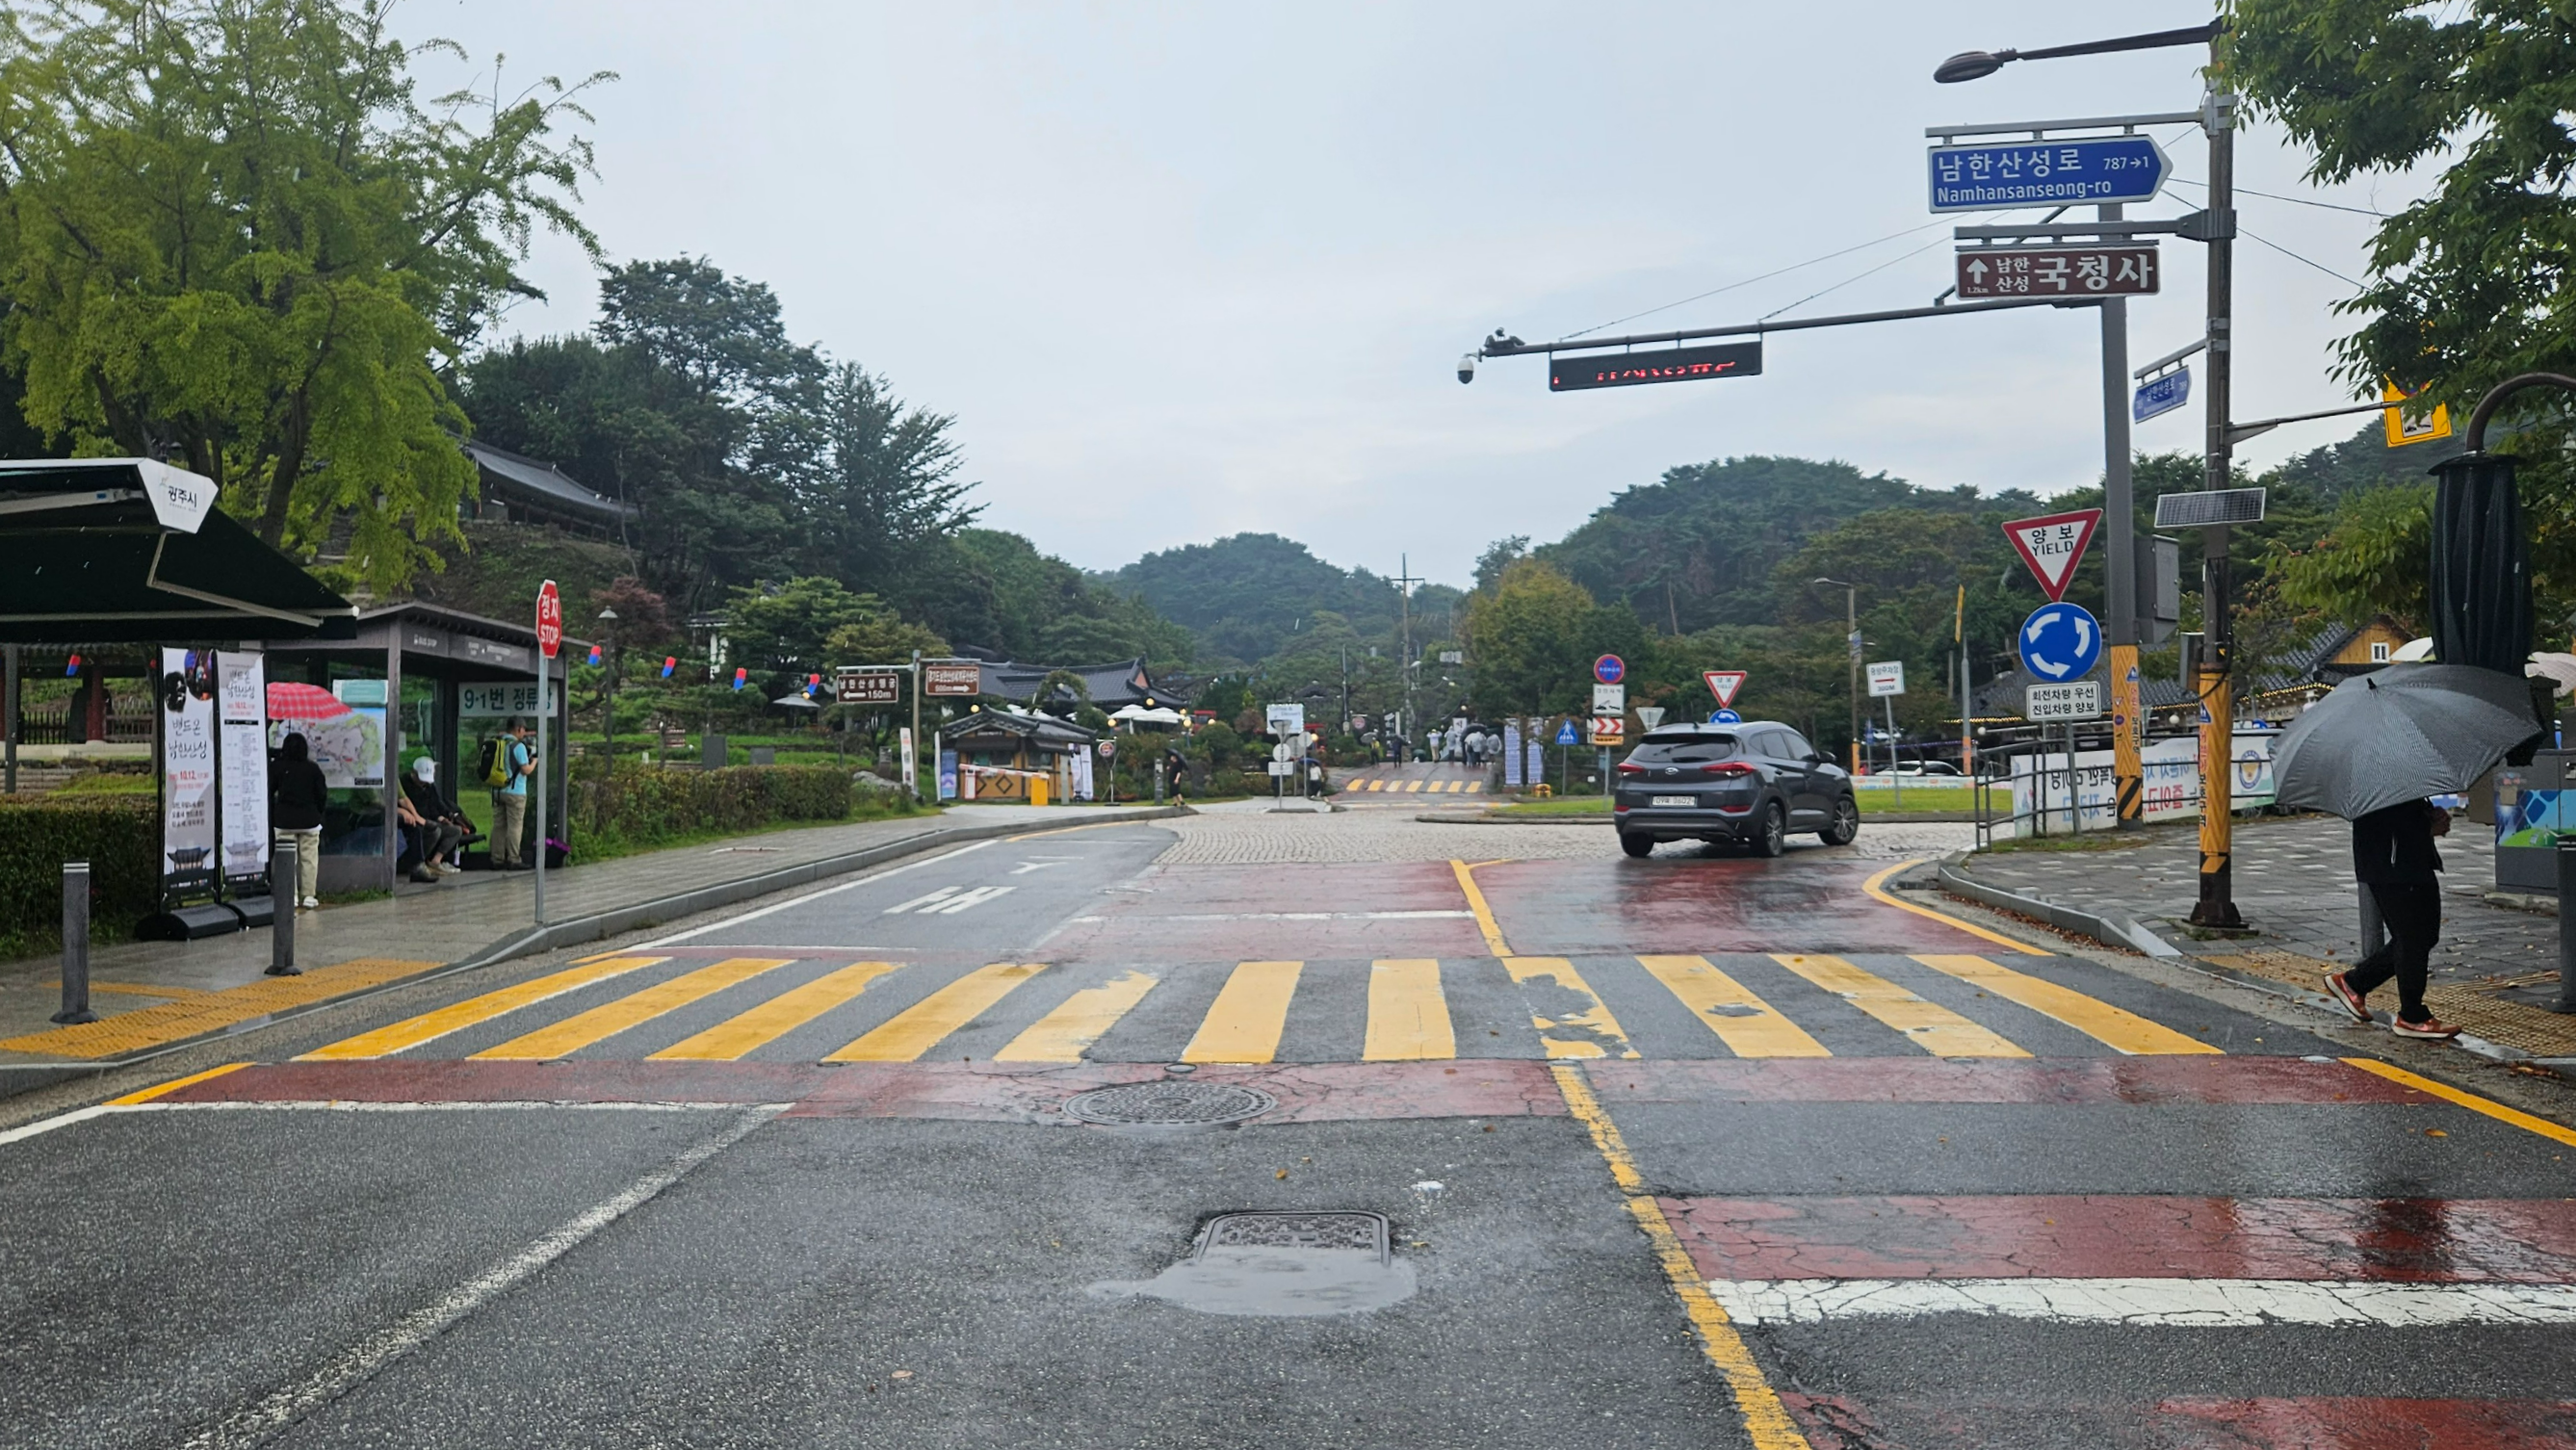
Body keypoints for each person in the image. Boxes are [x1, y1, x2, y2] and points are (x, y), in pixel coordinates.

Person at [2325, 797, 2461, 1039]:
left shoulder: (2394, 781)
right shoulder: (2377, 785)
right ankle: (2412, 1016)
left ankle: (2354, 983)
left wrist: (2428, 813)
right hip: (2394, 866)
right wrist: (2427, 825)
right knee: (2412, 938)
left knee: (2422, 936)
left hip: (2406, 863)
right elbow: (2390, 820)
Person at [268, 731, 327, 917]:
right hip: (310, 821)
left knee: (287, 860)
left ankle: (290, 895)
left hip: (284, 821)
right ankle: (308, 895)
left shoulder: (278, 767)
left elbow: (269, 790)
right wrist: (318, 812)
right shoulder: (313, 769)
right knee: (309, 859)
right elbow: (322, 794)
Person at [396, 761, 464, 881]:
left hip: (427, 819)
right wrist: (416, 817)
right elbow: (403, 801)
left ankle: (435, 862)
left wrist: (443, 816)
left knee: (455, 830)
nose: (424, 783)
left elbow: (435, 803)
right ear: (414, 773)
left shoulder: (429, 786)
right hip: (413, 820)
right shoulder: (403, 783)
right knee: (434, 831)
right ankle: (417, 863)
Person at [488, 718, 535, 869]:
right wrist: (535, 761)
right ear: (518, 729)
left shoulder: (498, 743)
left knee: (498, 826)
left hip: (497, 790)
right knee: (515, 826)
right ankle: (514, 859)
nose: (524, 733)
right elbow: (525, 770)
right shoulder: (518, 746)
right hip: (515, 791)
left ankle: (497, 859)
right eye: (524, 730)